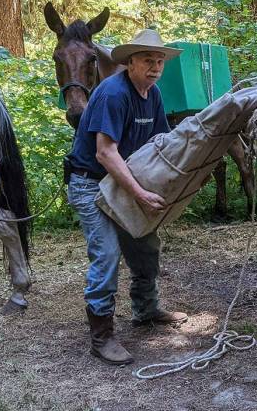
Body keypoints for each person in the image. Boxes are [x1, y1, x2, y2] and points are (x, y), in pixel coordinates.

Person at [65, 28, 188, 366]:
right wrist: (140, 193)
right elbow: (105, 153)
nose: (155, 67)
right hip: (90, 182)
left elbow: (160, 143)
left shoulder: (154, 93)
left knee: (145, 245)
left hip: (123, 180)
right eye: (148, 60)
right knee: (106, 253)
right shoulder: (113, 94)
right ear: (130, 62)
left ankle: (145, 310)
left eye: (160, 61)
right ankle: (101, 336)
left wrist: (184, 174)